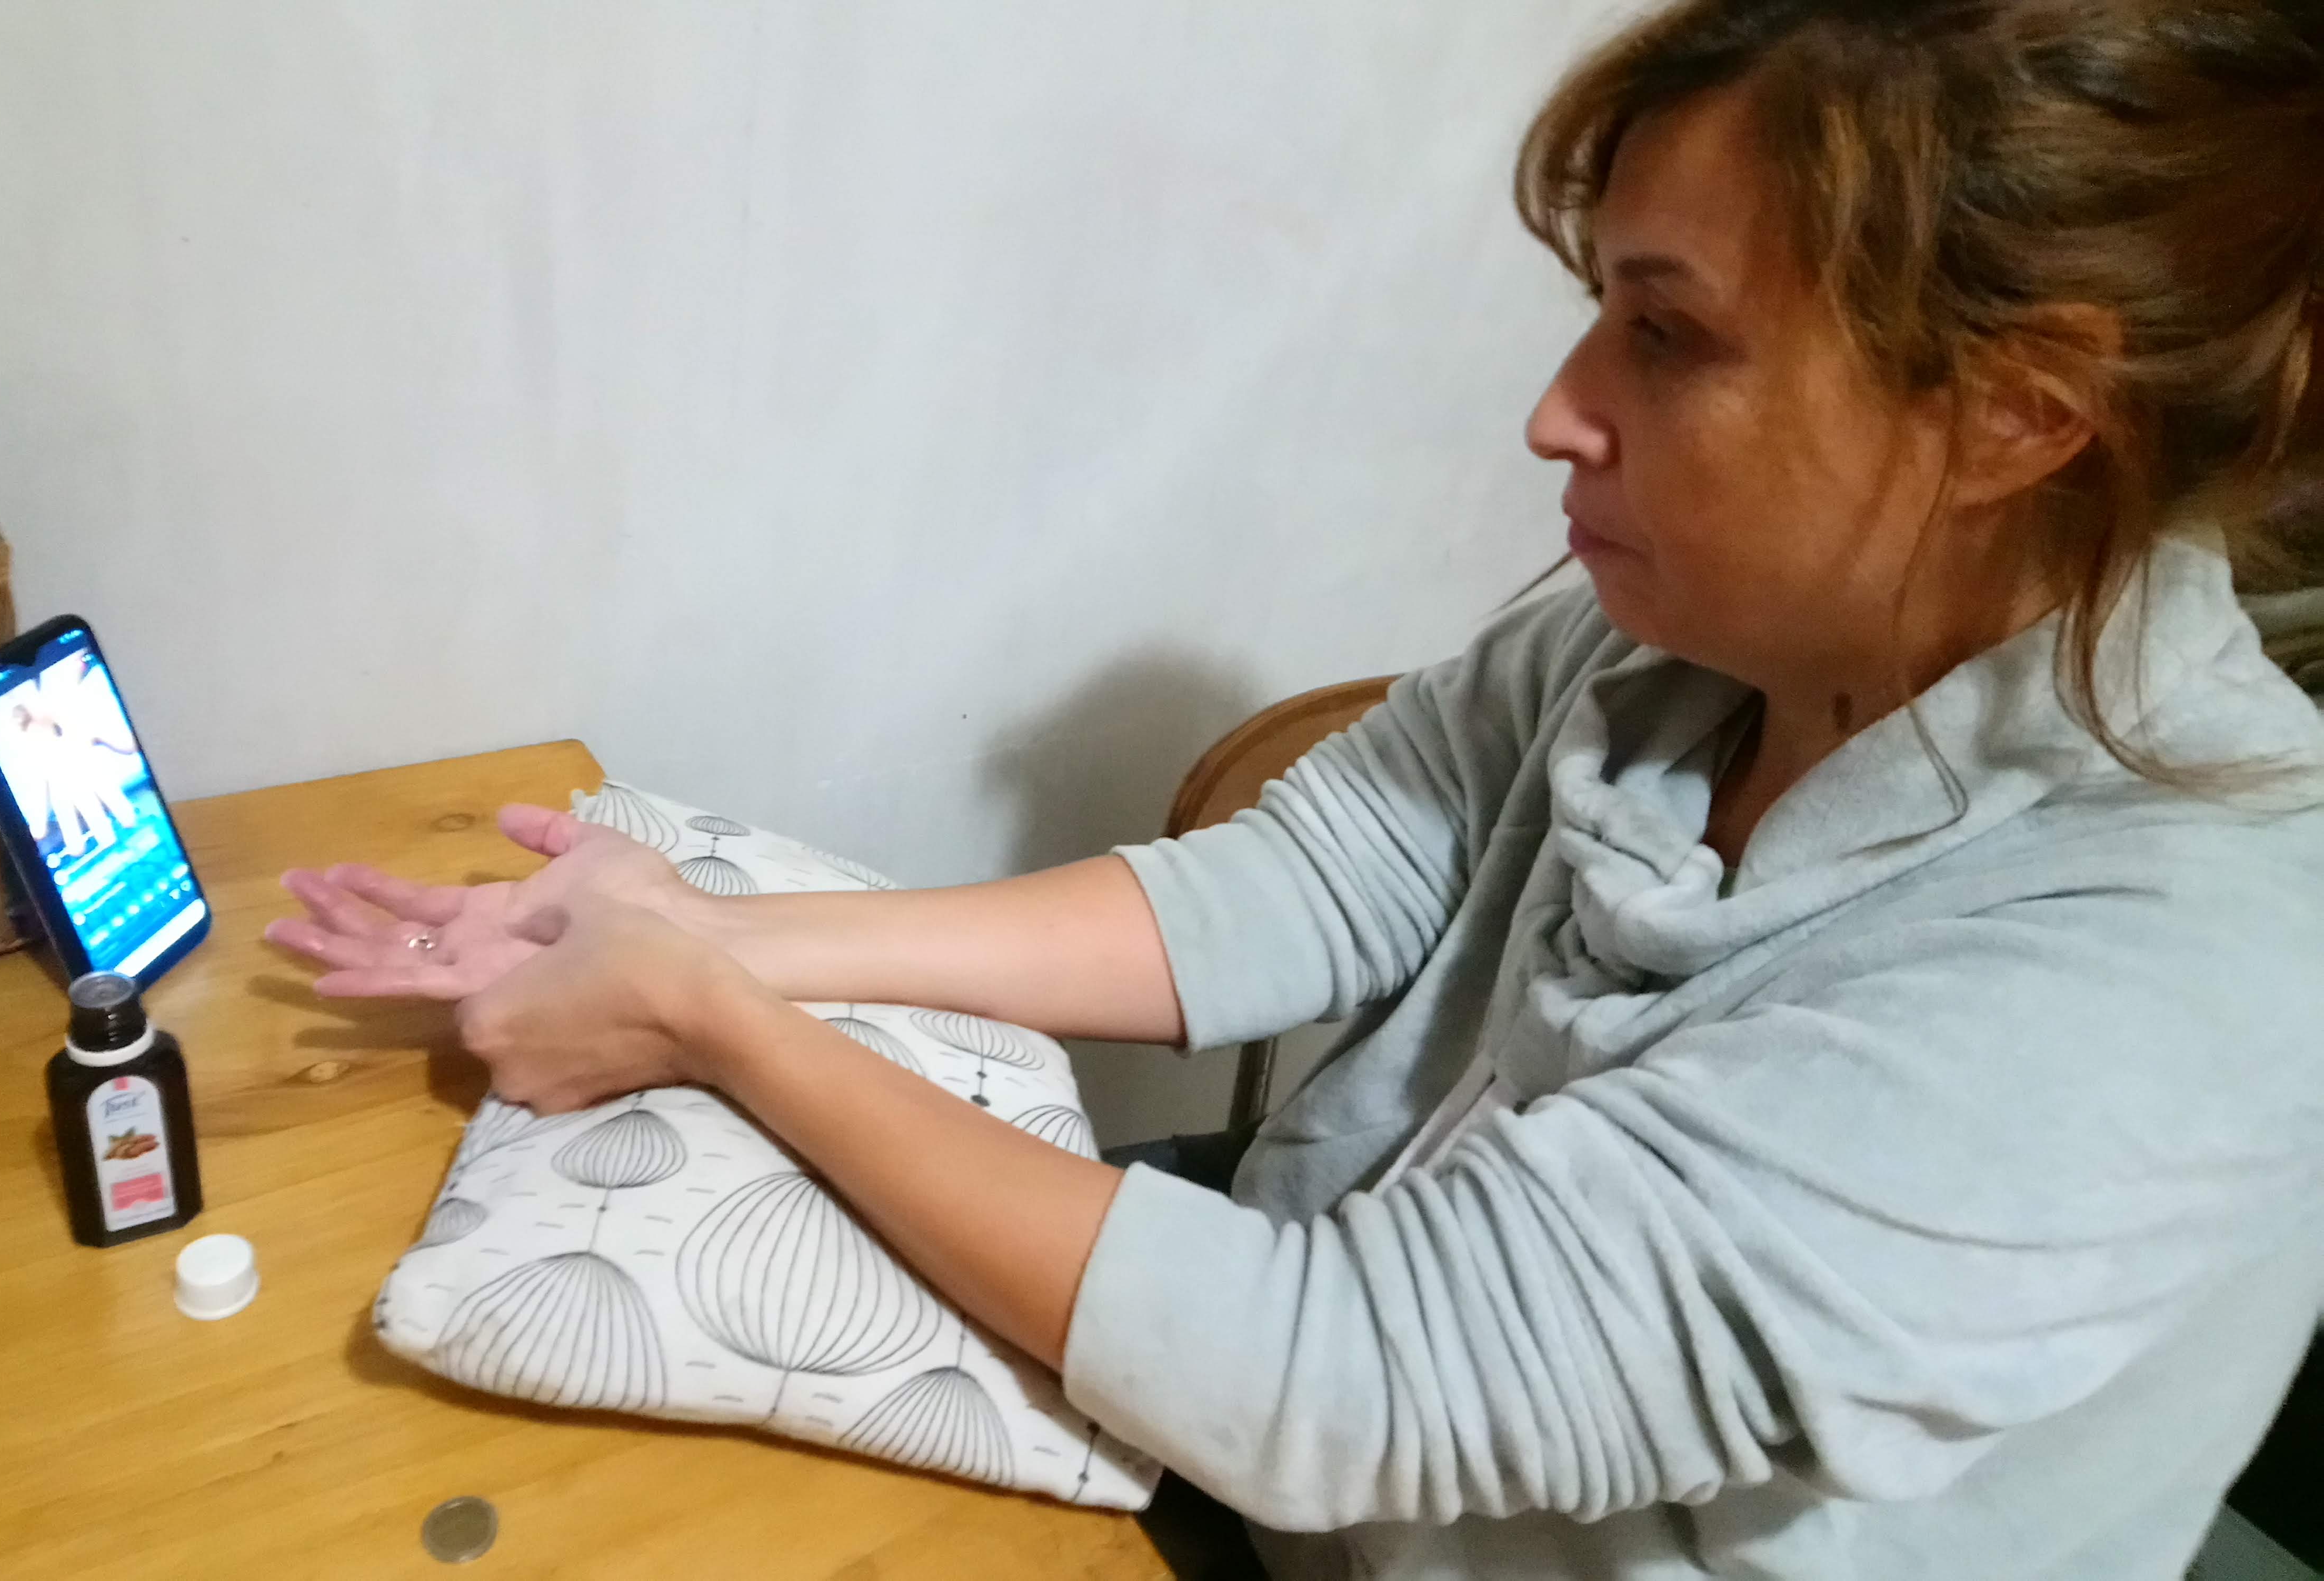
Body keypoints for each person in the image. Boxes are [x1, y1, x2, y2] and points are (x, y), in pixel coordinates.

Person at [266, 1, 2324, 1574]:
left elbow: (1351, 1378)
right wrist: (715, 930)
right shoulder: (1682, 640)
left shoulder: (2188, 968)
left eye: (1668, 337)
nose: (1559, 414)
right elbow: (1309, 883)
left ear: (2017, 415)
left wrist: (717, 1019)